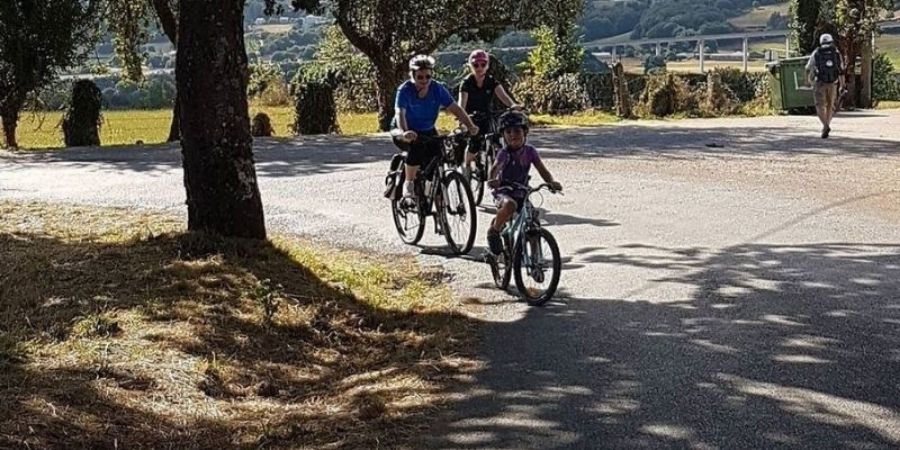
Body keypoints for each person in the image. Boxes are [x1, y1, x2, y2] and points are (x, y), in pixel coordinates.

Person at [393, 54, 479, 202]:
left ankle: (433, 200)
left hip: (427, 129)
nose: (424, 80)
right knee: (416, 148)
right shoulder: (405, 90)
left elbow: (455, 108)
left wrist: (470, 125)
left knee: (437, 156)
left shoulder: (437, 88)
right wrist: (405, 132)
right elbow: (400, 113)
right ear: (413, 75)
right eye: (420, 77)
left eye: (428, 76)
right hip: (404, 130)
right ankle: (409, 183)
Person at [485, 110, 562, 256]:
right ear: (503, 136)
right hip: (504, 191)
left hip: (521, 191)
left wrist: (551, 182)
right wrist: (492, 180)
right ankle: (494, 230)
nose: (513, 135)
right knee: (510, 205)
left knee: (533, 220)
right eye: (508, 132)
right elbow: (495, 168)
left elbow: (542, 170)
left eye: (517, 131)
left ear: (525, 132)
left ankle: (535, 258)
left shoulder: (530, 151)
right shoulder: (504, 153)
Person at [458, 49, 519, 180]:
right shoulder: (466, 83)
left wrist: (513, 106)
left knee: (496, 137)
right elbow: (461, 103)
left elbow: (503, 96)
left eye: (483, 64)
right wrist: (462, 118)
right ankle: (467, 165)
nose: (479, 68)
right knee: (475, 143)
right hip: (472, 117)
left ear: (487, 65)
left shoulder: (491, 81)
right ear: (470, 66)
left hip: (488, 114)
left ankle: (498, 167)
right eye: (475, 65)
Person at [806, 33, 844, 139]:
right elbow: (841, 70)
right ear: (831, 41)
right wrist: (842, 85)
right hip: (832, 83)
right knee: (830, 106)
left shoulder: (817, 52)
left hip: (820, 83)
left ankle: (825, 125)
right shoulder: (836, 52)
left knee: (819, 105)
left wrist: (808, 80)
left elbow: (808, 68)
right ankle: (826, 125)